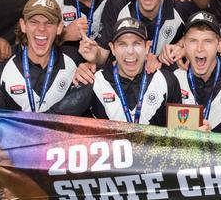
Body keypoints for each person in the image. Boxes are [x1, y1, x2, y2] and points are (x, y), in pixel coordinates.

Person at [51, 17, 182, 125]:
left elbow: (181, 134)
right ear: (112, 49)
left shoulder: (167, 81)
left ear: (147, 47)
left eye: (136, 43)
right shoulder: (94, 81)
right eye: (122, 44)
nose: (130, 52)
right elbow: (53, 120)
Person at [0, 0, 79, 113]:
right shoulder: (0, 64)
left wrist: (92, 65)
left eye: (49, 23)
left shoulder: (75, 61)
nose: (41, 28)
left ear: (59, 27)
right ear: (23, 25)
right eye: (34, 22)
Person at [173, 11, 221, 134]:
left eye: (207, 41)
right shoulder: (172, 79)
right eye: (193, 40)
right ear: (184, 44)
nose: (200, 48)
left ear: (219, 45)